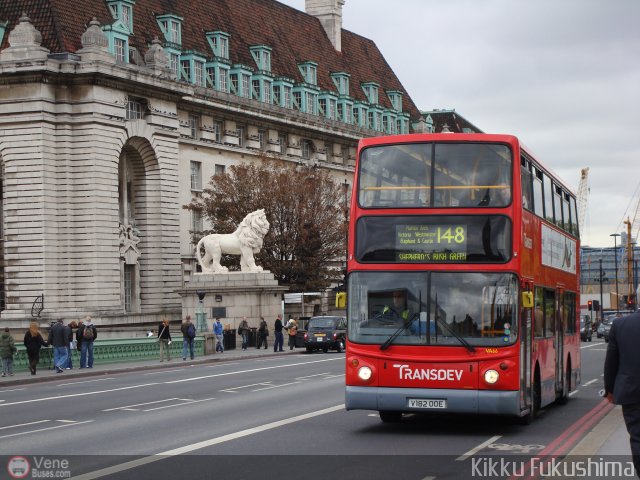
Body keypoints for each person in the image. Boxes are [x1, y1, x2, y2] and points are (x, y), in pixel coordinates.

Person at [604, 310, 640, 476]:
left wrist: (609, 389)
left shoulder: (621, 325)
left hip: (632, 392)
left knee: (637, 437)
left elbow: (611, 361)